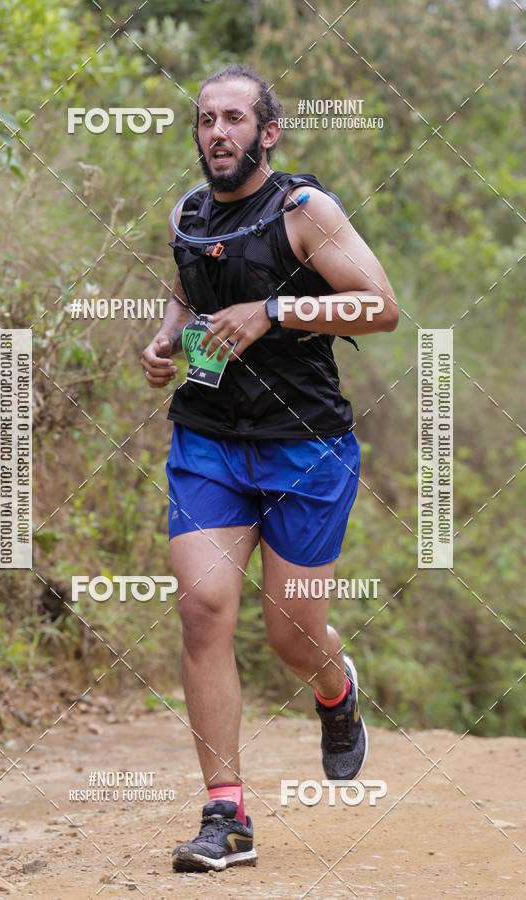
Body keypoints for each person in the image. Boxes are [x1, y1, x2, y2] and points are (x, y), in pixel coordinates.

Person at [140, 64, 398, 873]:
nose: (217, 132)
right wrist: (160, 341)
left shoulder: (303, 211)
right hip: (209, 438)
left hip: (304, 444)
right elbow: (186, 293)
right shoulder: (186, 212)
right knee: (203, 610)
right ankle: (228, 817)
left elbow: (381, 305)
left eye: (233, 119)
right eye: (206, 120)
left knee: (291, 633)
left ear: (268, 131)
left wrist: (277, 310)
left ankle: (334, 686)